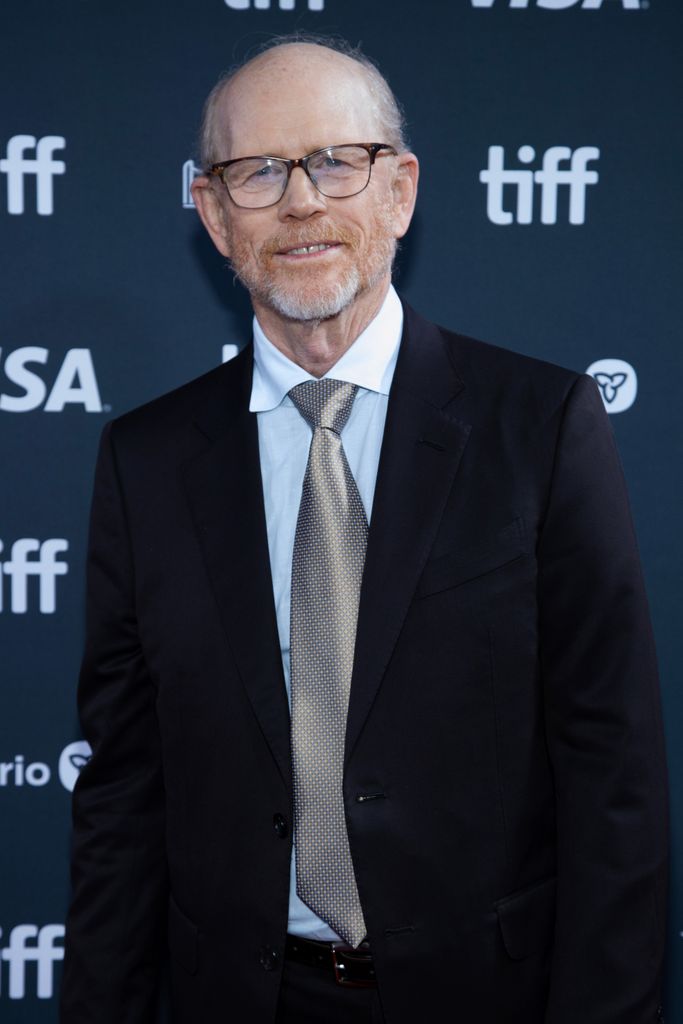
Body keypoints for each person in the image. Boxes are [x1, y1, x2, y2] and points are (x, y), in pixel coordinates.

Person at [60, 35, 668, 1024]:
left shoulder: (540, 426)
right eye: (256, 171)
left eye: (335, 162)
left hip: (487, 997)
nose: (300, 200)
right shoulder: (145, 461)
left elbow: (613, 777)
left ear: (399, 190)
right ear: (212, 215)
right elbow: (124, 799)